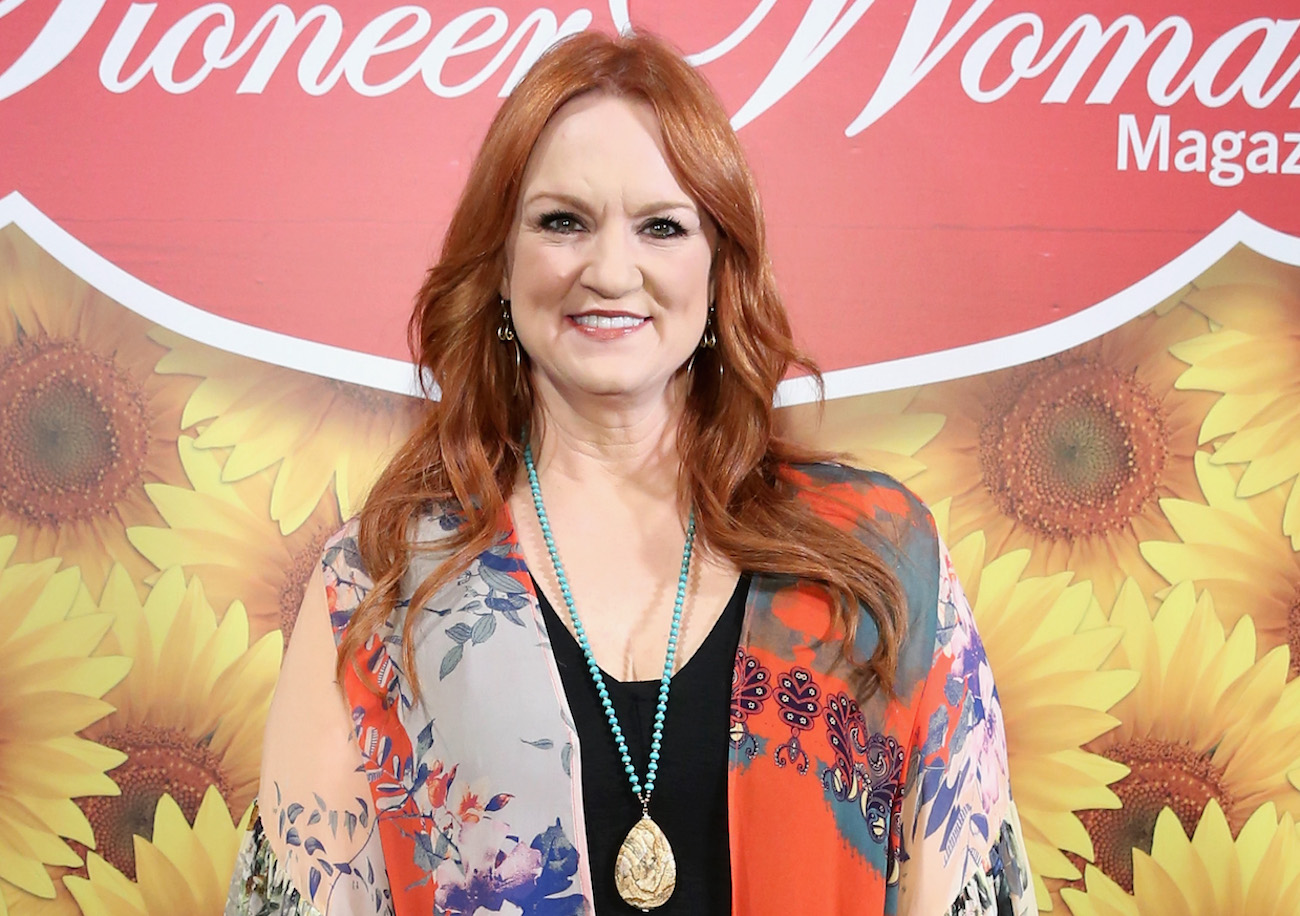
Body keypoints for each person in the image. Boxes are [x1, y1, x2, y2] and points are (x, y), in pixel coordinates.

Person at [227, 30, 1035, 916]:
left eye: (662, 226)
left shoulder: (879, 559)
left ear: (719, 266)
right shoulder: (379, 585)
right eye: (562, 222)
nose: (611, 271)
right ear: (500, 265)